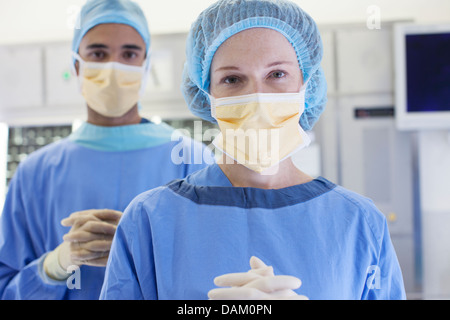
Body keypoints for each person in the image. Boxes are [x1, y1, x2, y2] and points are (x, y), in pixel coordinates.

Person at [100, 0, 406, 300]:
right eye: (232, 79)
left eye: (277, 74)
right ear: (207, 96)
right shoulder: (149, 220)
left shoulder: (359, 223)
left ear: (307, 85)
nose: (258, 97)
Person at [0, 0, 209, 300]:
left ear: (146, 64)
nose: (113, 66)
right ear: (76, 65)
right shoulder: (35, 173)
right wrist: (55, 265)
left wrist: (144, 257)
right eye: (98, 53)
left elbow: (213, 279)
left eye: (129, 54)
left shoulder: (193, 161)